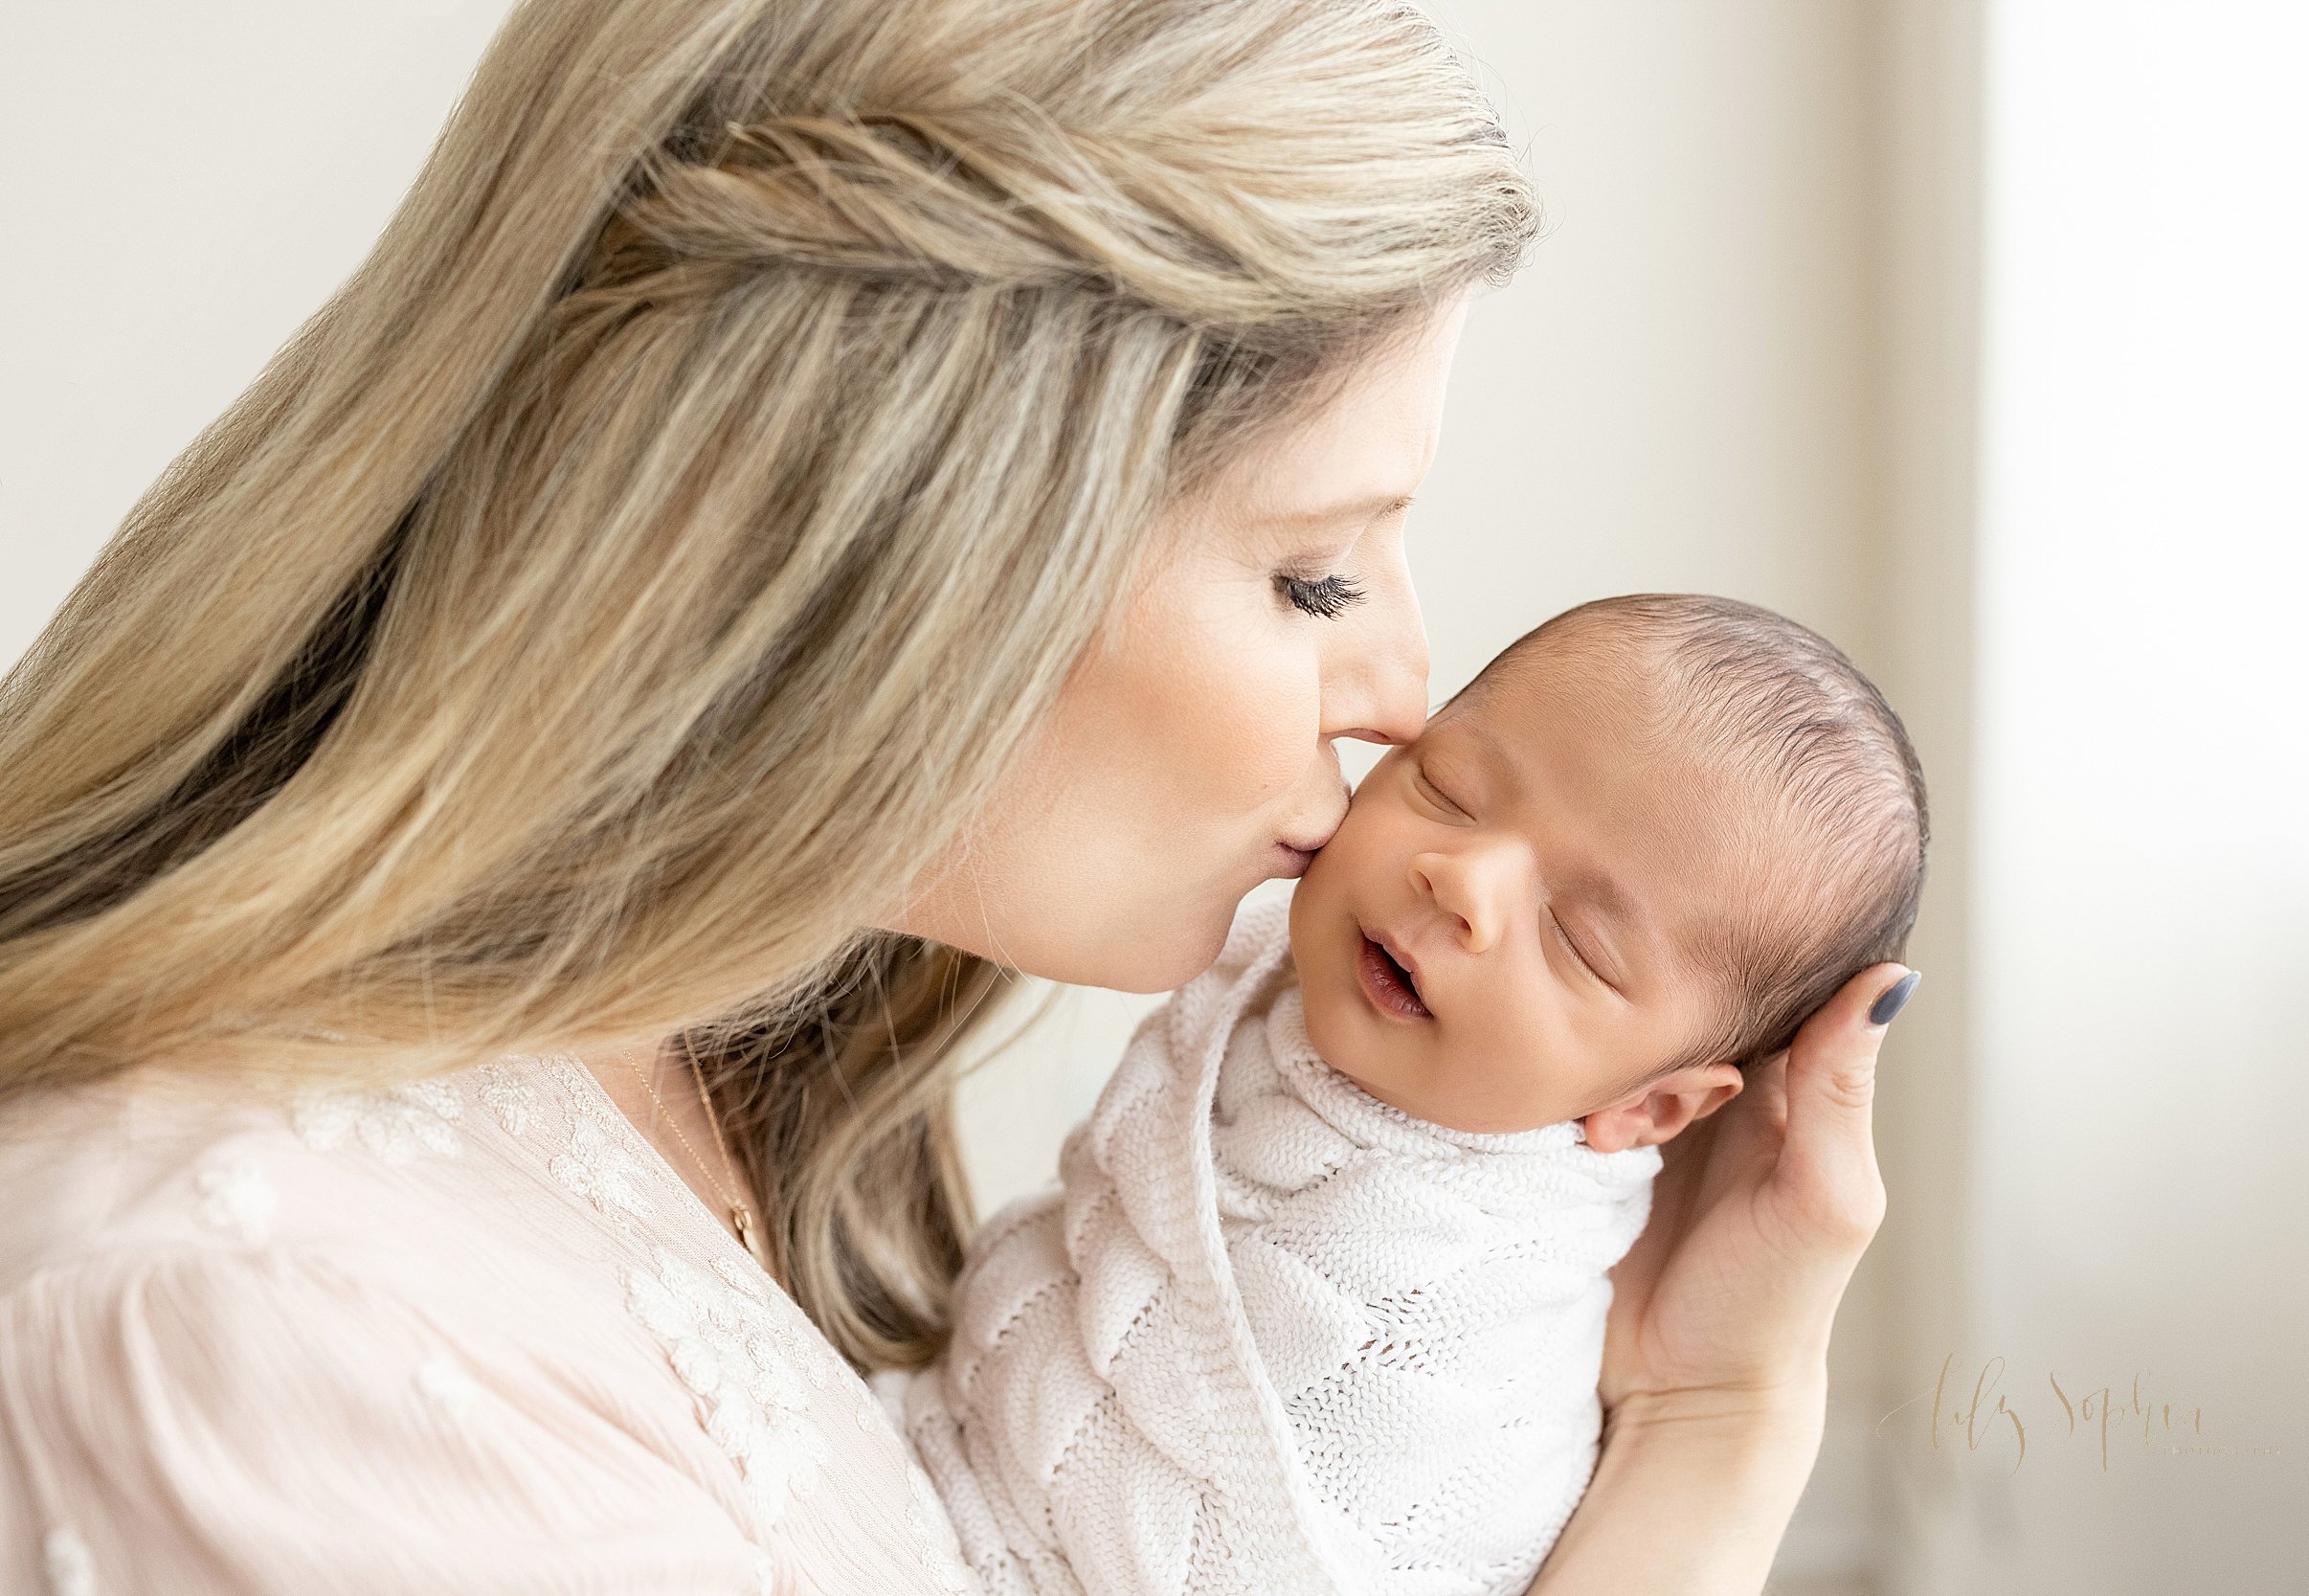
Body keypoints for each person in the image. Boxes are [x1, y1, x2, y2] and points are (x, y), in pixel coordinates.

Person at [0, 0, 1912, 1591]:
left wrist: (1704, 1413)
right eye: (1310, 570)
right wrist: (1709, 1441)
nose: (1397, 695)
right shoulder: (267, 1334)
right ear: (911, 533)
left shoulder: (728, 1087)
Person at [904, 595, 1927, 1596]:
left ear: (1651, 1107)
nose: (1460, 880)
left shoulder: (1465, 1296)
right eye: (1449, 788)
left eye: (1576, 939)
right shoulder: (1255, 968)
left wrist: (1720, 1398)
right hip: (933, 1444)